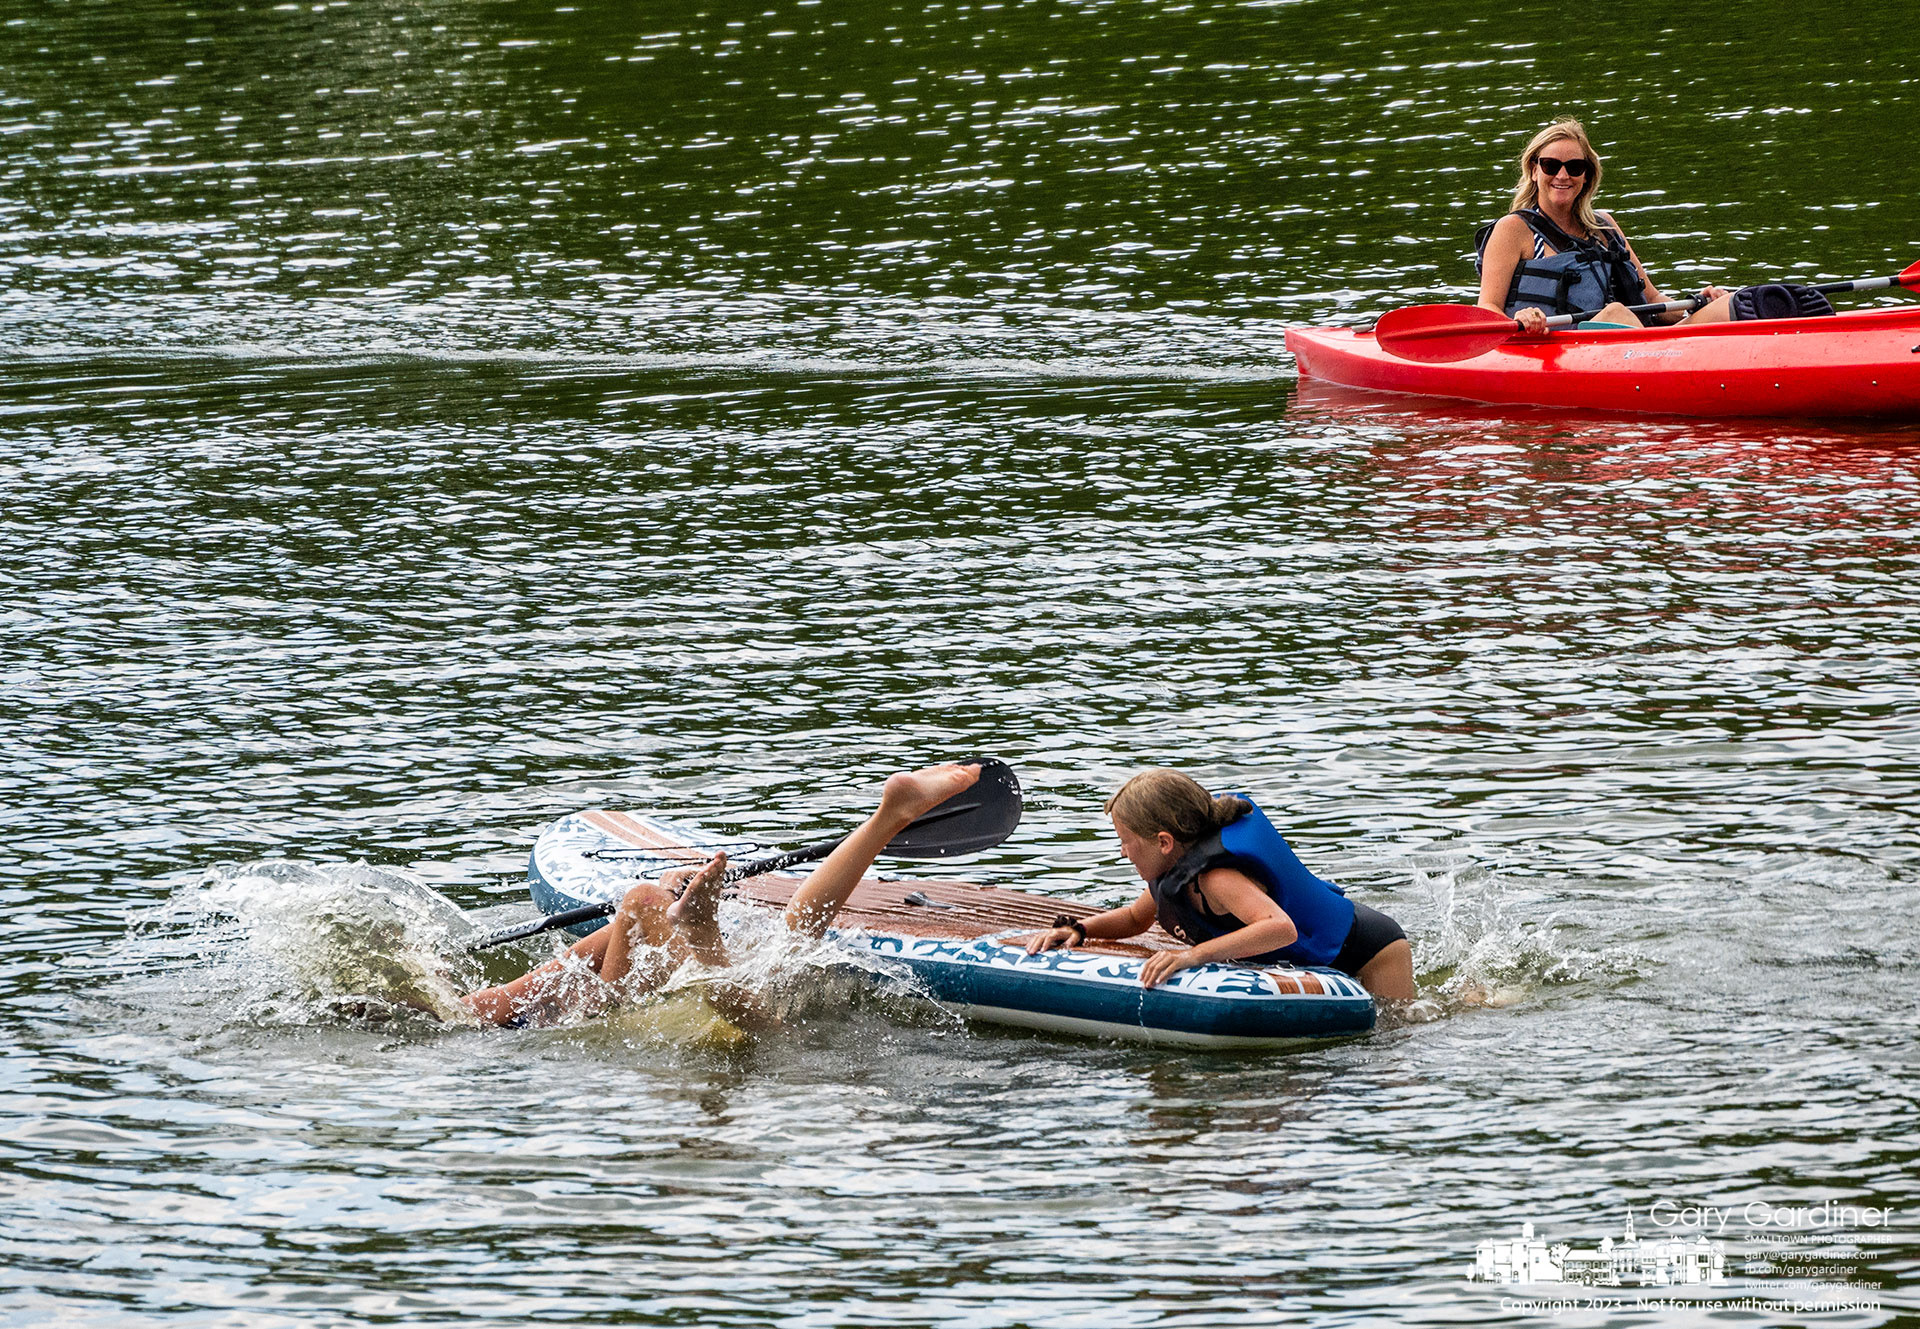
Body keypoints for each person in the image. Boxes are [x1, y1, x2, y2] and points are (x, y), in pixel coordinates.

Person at [461, 762, 984, 1028]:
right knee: (777, 980)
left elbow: (490, 1006)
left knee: (763, 1001)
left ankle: (694, 923)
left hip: (612, 1010)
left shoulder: (485, 1019)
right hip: (625, 998)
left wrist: (661, 901)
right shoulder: (497, 1012)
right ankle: (885, 819)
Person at [1021, 769, 1415, 1001]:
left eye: (1126, 840)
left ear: (1163, 842)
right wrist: (1078, 929)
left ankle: (1470, 1002)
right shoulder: (1172, 874)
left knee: (1397, 1033)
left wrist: (1195, 956)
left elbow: (1280, 928)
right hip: (1325, 954)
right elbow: (1135, 918)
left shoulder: (1217, 877)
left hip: (1368, 949)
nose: (1123, 853)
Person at [1476, 118, 1730, 334]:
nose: (1563, 176)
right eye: (1551, 166)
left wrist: (1695, 303)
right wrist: (1522, 318)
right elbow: (1487, 307)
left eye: (1574, 167)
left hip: (1632, 342)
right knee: (1617, 313)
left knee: (1729, 303)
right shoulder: (1513, 229)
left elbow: (1652, 300)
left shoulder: (1604, 227)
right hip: (1556, 348)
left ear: (1586, 175)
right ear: (1534, 170)